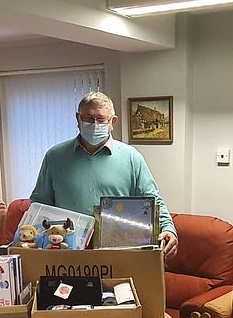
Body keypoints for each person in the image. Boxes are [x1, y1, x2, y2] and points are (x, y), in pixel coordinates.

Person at [30, 92, 178, 258]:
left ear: (112, 121)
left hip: (119, 251)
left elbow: (152, 200)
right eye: (88, 118)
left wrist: (168, 228)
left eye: (100, 119)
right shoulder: (55, 156)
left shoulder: (131, 157)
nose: (94, 124)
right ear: (78, 118)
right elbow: (39, 203)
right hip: (67, 251)